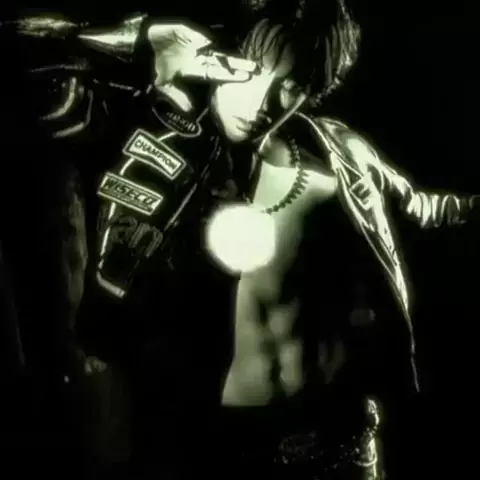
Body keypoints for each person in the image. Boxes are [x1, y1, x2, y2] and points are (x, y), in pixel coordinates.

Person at [2, 1, 478, 478]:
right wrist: (144, 39)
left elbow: (426, 209)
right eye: (250, 72)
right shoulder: (143, 136)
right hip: (222, 446)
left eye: (289, 86)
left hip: (341, 435)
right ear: (219, 56)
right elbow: (16, 56)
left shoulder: (339, 155)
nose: (262, 103)